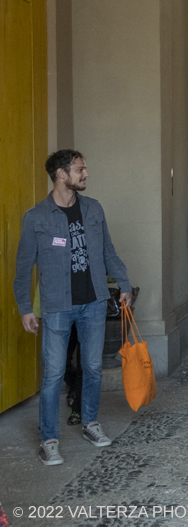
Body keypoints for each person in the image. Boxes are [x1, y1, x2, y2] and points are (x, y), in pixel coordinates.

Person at [15, 150, 133, 466]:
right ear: (61, 174)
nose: (86, 174)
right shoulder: (36, 217)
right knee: (53, 375)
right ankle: (49, 440)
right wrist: (25, 307)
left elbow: (108, 250)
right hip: (57, 306)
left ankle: (91, 424)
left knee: (93, 368)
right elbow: (24, 266)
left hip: (93, 302)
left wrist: (123, 283)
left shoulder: (93, 209)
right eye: (80, 169)